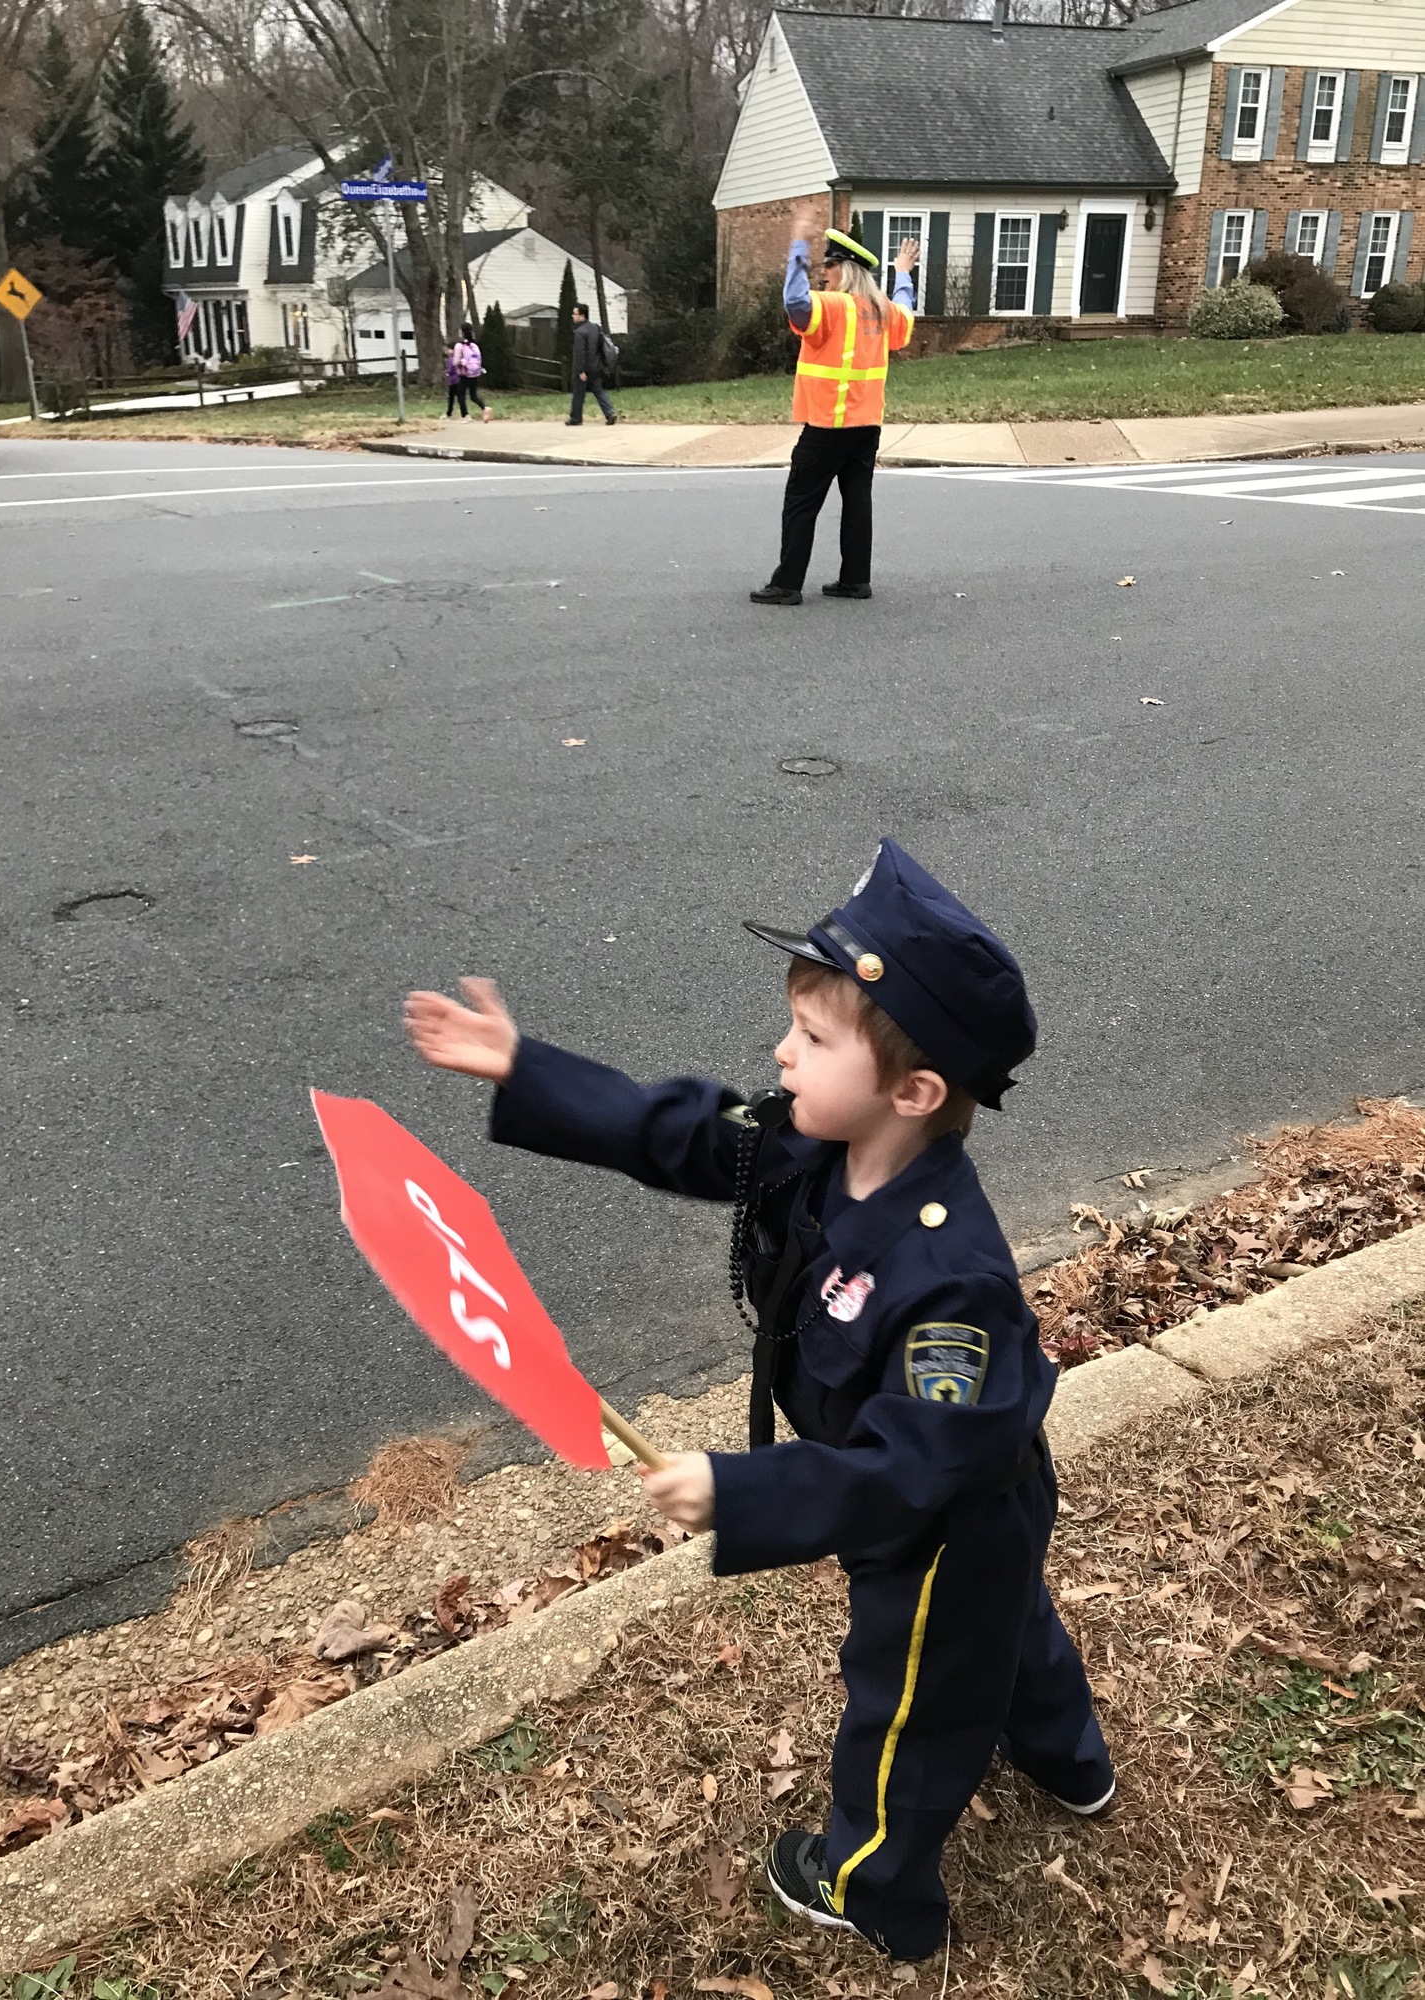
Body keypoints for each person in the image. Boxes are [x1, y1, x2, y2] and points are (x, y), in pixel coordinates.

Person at [403, 839, 1114, 1965]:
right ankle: (1071, 1757)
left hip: (943, 1525)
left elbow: (908, 1465)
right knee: (1006, 1632)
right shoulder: (813, 1146)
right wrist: (521, 1066)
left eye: (814, 1039)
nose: (782, 1054)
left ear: (914, 1092)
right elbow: (683, 1131)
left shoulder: (951, 1281)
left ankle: (874, 1879)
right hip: (936, 1511)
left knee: (913, 1697)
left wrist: (739, 1490)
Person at [751, 227, 918, 607]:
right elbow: (906, 313)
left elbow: (795, 301)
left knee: (800, 503)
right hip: (867, 426)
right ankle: (855, 580)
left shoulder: (831, 305)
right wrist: (903, 272)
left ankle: (787, 584)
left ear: (844, 270)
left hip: (828, 424)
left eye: (829, 265)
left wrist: (797, 247)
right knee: (857, 501)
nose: (822, 272)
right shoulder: (881, 310)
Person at [567, 301, 616, 427]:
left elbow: (579, 353)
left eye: (574, 313)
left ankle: (575, 418)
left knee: (578, 393)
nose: (573, 316)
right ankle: (610, 412)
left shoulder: (579, 332)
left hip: (585, 368)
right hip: (597, 366)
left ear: (581, 315)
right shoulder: (596, 328)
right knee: (599, 390)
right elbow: (601, 347)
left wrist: (580, 370)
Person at [448, 324, 492, 421]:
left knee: (460, 395)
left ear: (461, 332)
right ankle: (485, 408)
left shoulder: (459, 346)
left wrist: (459, 362)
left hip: (464, 374)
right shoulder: (474, 345)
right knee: (473, 395)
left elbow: (455, 362)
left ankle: (465, 416)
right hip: (475, 373)